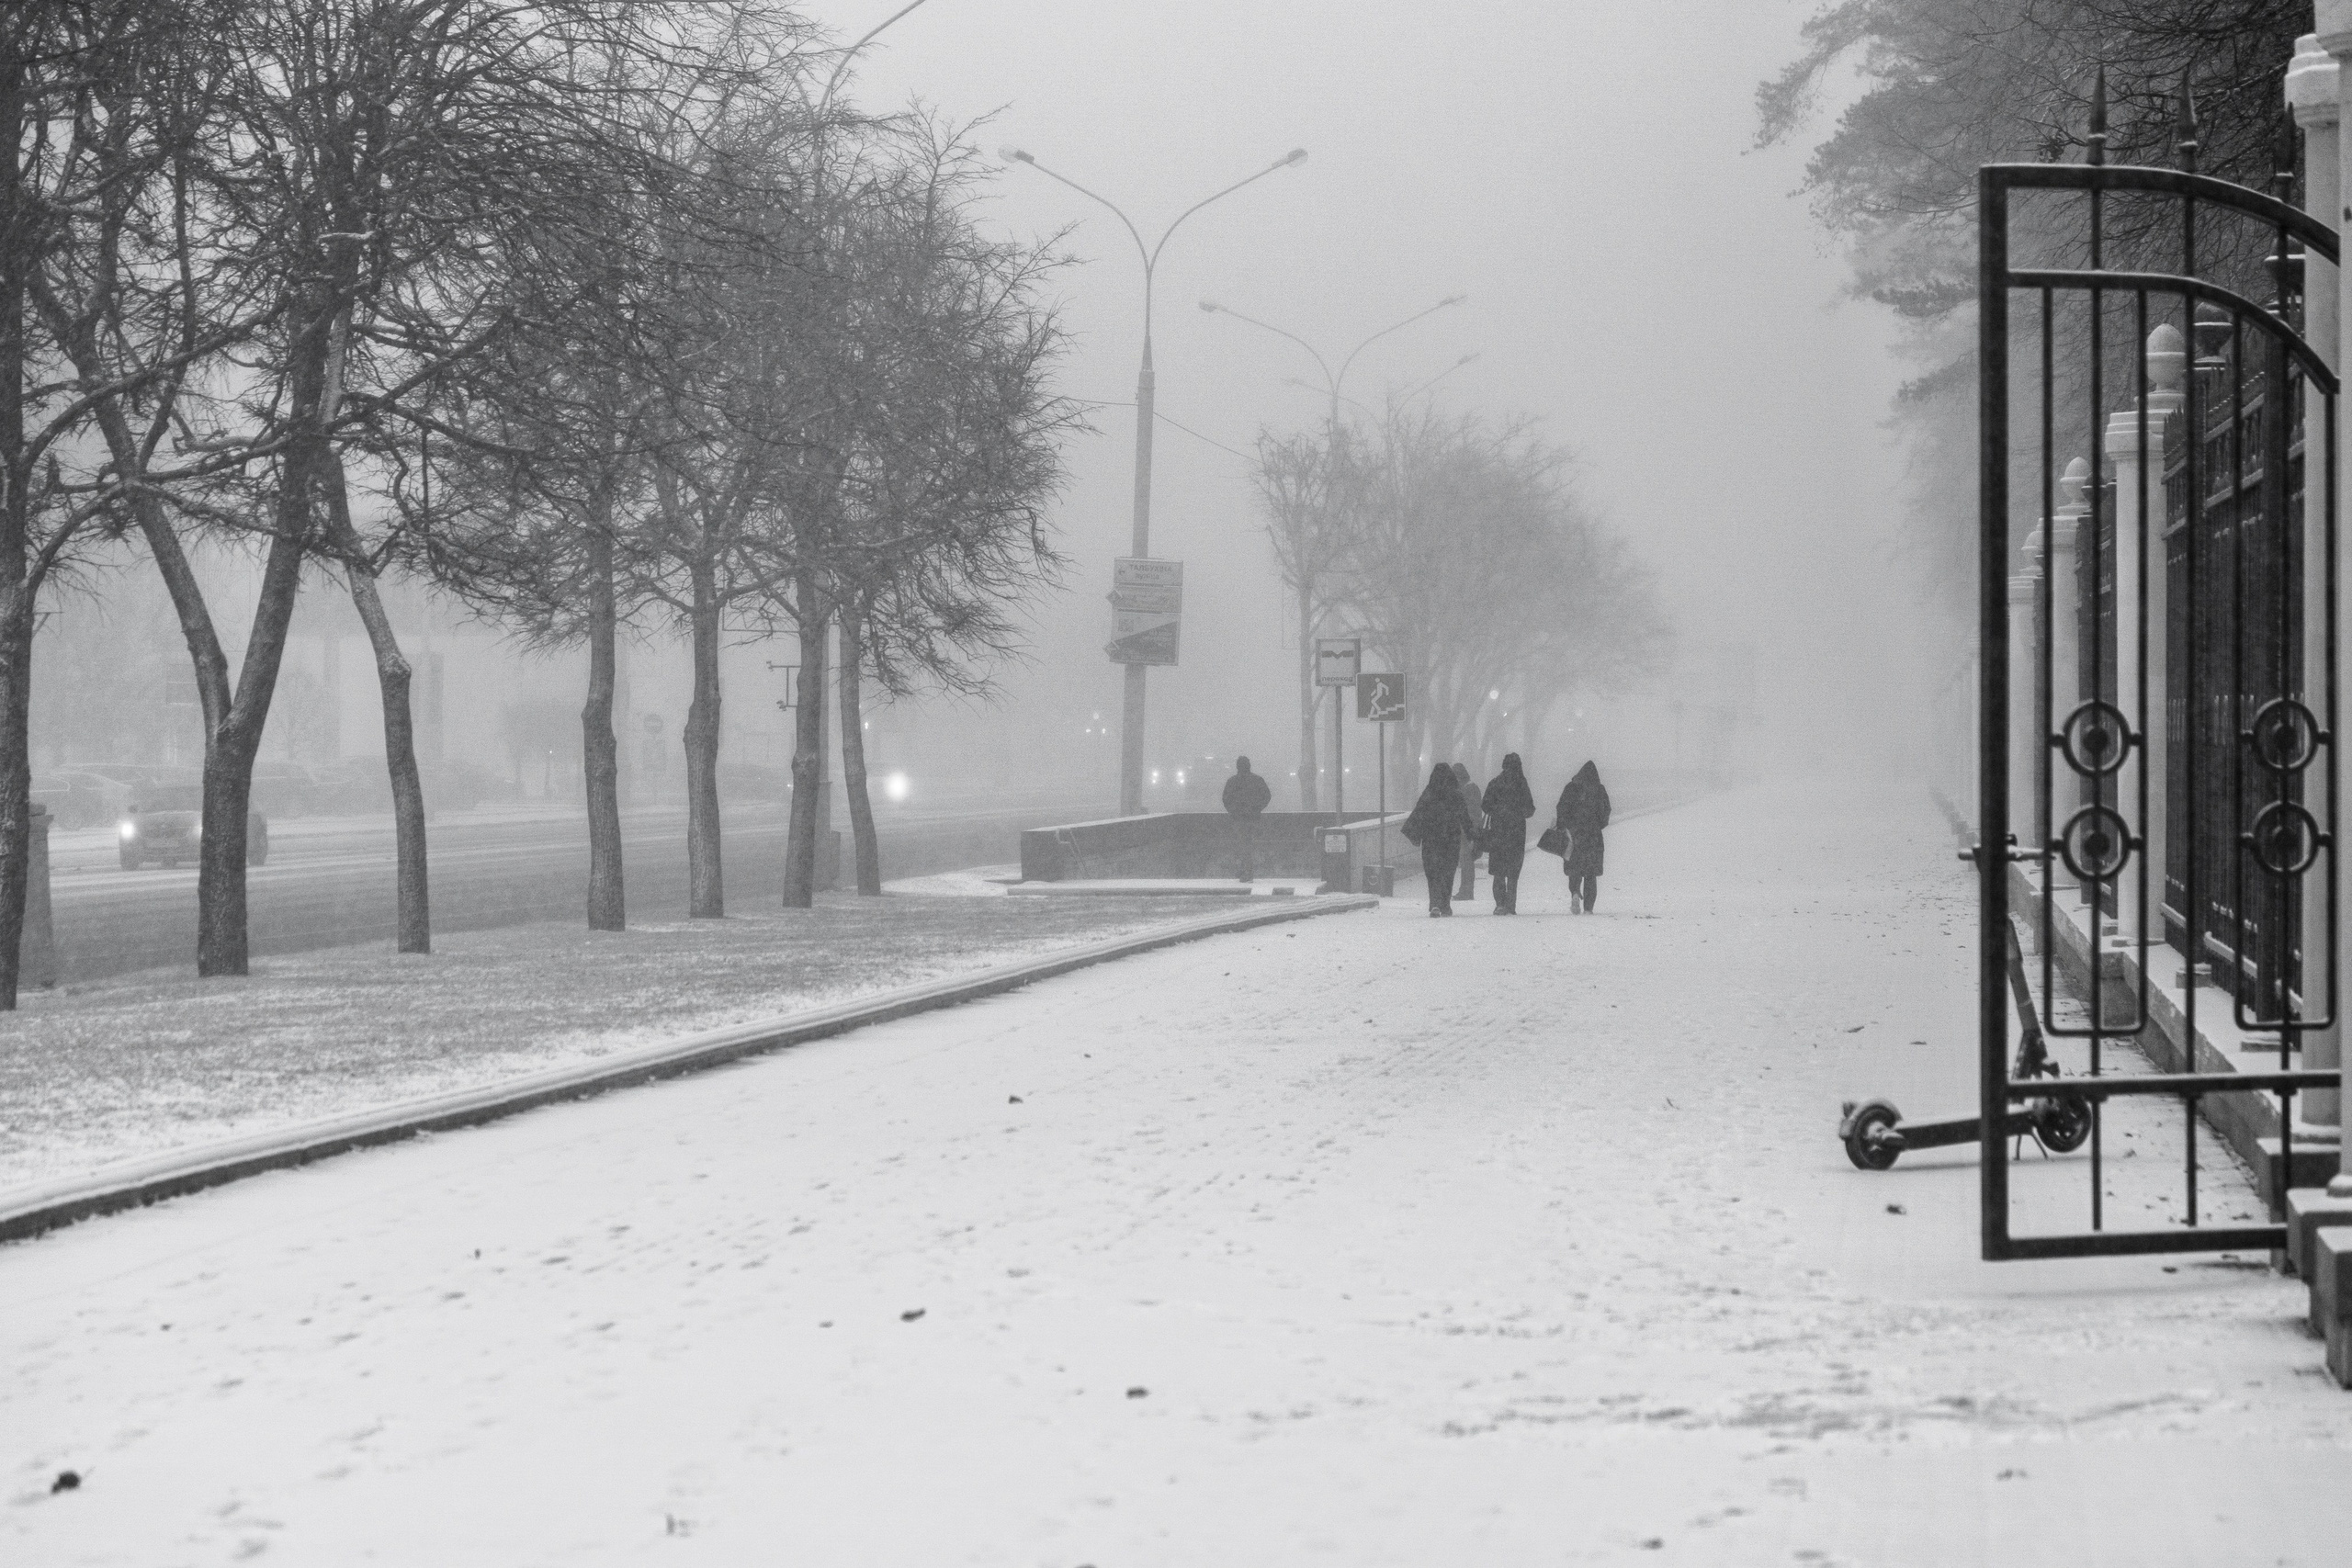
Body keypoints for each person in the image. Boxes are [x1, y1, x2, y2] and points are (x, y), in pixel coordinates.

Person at [1402, 761, 1474, 916]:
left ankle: (1435, 903)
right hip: (1451, 839)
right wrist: (1471, 835)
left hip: (1431, 839)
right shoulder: (1455, 793)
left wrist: (1415, 835)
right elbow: (1464, 816)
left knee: (1433, 872)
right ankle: (1445, 905)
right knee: (1448, 872)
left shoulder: (1429, 793)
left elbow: (1418, 814)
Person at [1481, 753, 1536, 914]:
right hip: (1516, 832)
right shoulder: (1521, 784)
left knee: (1498, 870)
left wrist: (1499, 811)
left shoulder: (1495, 783)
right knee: (1513, 871)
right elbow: (1530, 808)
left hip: (1498, 831)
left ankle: (1500, 903)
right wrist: (1518, 813)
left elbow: (1485, 805)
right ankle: (1510, 905)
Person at [1555, 759, 1611, 913]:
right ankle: (1588, 908)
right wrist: (1598, 825)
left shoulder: (1571, 788)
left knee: (1574, 867)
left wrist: (1565, 826)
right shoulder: (1599, 790)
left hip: (1574, 835)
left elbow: (1561, 809)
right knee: (1590, 873)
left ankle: (1574, 892)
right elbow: (1605, 812)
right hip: (1593, 836)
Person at [1222, 755, 1272, 881]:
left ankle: (1246, 871)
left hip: (1239, 819)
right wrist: (1257, 808)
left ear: (1237, 766)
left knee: (1243, 845)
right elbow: (1267, 796)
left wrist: (1234, 811)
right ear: (1249, 766)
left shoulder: (1232, 781)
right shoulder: (1257, 780)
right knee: (1248, 845)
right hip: (1254, 818)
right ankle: (1246, 870)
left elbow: (1226, 799)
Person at [1451, 761, 1484, 902]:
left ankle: (1466, 891)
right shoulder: (1469, 788)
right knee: (1466, 862)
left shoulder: (1468, 789)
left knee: (1467, 862)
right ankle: (1465, 890)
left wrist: (1472, 831)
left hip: (1466, 831)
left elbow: (1473, 812)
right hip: (1466, 829)